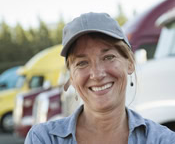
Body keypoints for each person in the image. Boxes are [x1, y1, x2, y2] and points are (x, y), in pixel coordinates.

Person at [25, 12, 175, 144]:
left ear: (130, 63)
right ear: (71, 75)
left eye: (108, 57)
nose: (97, 74)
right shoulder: (44, 139)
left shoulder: (162, 140)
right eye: (82, 63)